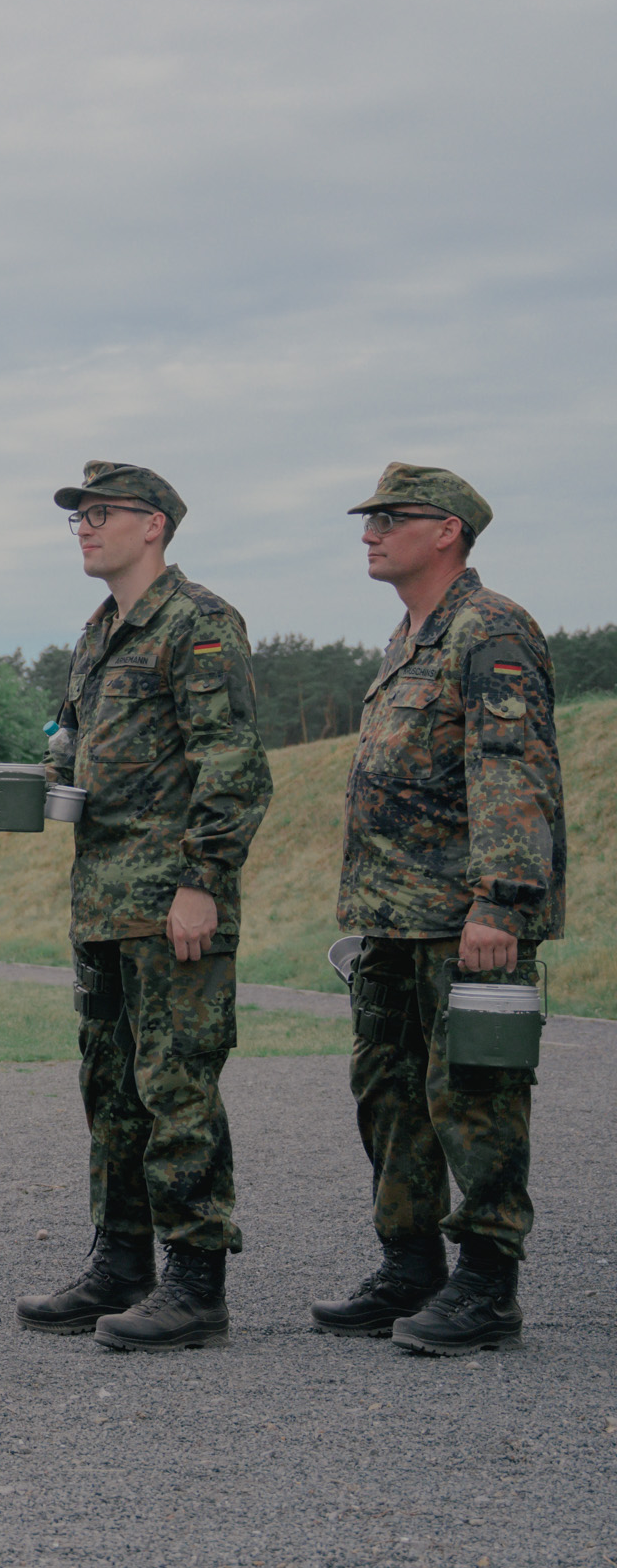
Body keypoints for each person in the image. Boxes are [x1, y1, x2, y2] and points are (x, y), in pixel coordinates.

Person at [15, 462, 272, 1352]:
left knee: (175, 1087)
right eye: (78, 516)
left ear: (154, 523)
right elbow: (75, 746)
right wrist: (33, 784)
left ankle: (196, 1283)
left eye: (102, 512)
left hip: (172, 904)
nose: (85, 527)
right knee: (112, 1090)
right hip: (103, 903)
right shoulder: (98, 633)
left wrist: (202, 882)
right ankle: (120, 1262)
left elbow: (232, 763)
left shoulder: (198, 622)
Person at [313, 464, 564, 1354]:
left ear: (448, 529)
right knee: (389, 1097)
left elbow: (511, 769)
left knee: (476, 1098)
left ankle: (488, 1286)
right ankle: (410, 1267)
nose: (370, 532)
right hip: (392, 915)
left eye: (391, 518)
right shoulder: (409, 636)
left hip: (465, 918)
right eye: (369, 519)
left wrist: (500, 901)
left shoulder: (490, 629)